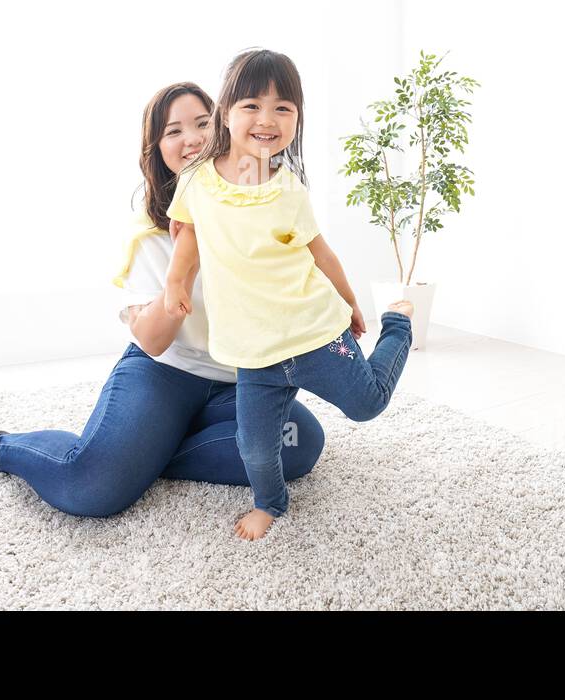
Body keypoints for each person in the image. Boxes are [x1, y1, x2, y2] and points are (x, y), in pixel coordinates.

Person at [0, 82, 327, 522]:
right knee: (90, 488)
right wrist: (188, 261)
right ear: (157, 150)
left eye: (203, 123)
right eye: (174, 131)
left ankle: (142, 456)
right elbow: (152, 341)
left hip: (239, 382)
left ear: (224, 126)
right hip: (165, 372)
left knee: (299, 445)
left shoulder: (269, 204)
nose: (192, 139)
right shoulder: (152, 232)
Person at [162, 48, 414, 540]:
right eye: (252, 105)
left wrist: (351, 304)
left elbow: (322, 255)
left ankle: (399, 323)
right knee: (255, 448)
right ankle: (270, 502)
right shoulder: (197, 180)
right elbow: (188, 234)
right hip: (254, 353)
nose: (267, 119)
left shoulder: (288, 189)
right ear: (227, 112)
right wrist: (175, 282)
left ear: (297, 119)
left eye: (283, 108)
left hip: (314, 333)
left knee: (367, 404)